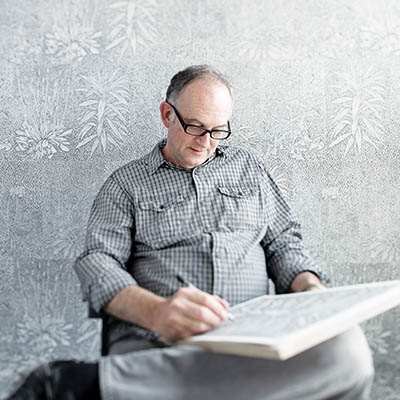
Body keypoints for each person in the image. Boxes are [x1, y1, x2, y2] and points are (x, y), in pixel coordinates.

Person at [7, 65, 374, 400]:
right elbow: (98, 264)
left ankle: (96, 385)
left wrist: (311, 291)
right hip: (160, 343)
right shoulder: (125, 185)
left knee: (349, 354)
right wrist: (157, 312)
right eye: (195, 126)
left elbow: (283, 244)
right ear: (167, 114)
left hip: (251, 342)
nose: (206, 141)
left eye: (218, 130)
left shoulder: (249, 170)